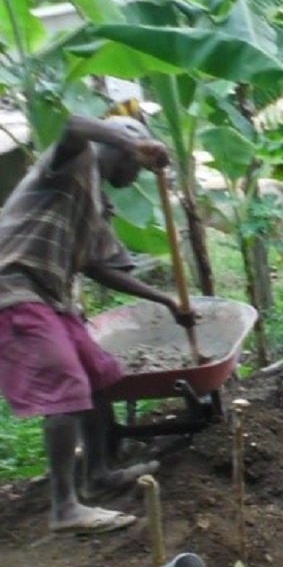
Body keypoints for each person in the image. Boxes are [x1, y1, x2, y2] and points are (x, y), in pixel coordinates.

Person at [0, 114, 195, 534]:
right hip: (13, 289)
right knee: (66, 384)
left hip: (50, 296)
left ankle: (99, 470)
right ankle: (64, 508)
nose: (137, 173)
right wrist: (135, 141)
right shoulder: (74, 159)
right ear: (121, 148)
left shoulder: (94, 203)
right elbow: (70, 124)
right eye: (136, 163)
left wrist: (165, 300)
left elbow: (98, 268)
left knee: (97, 372)